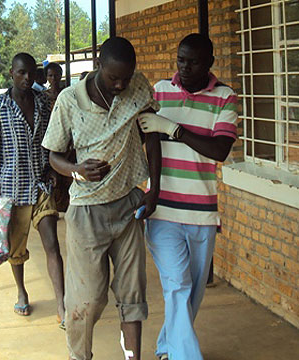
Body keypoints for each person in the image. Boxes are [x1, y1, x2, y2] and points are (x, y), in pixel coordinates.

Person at [42, 36, 162, 360]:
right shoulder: (69, 101)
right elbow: (53, 157)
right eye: (113, 78)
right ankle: (79, 356)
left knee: (132, 294)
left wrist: (154, 192)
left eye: (126, 77)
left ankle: (133, 357)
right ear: (98, 66)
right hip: (86, 212)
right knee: (87, 299)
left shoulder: (138, 87)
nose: (120, 84)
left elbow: (152, 139)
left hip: (128, 204)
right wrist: (78, 170)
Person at [137, 33, 238, 360]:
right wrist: (151, 191)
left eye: (193, 61)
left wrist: (173, 128)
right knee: (177, 286)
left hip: (203, 215)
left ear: (209, 62)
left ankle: (168, 346)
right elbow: (149, 140)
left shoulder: (224, 97)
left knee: (190, 294)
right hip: (164, 210)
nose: (185, 67)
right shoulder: (160, 91)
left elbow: (219, 149)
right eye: (181, 60)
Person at [0, 53, 65, 326]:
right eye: (21, 73)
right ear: (11, 73)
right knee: (16, 250)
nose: (27, 78)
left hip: (40, 184)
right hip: (11, 190)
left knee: (52, 242)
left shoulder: (42, 103)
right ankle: (21, 289)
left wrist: (53, 170)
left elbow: (53, 140)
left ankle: (61, 302)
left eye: (31, 73)